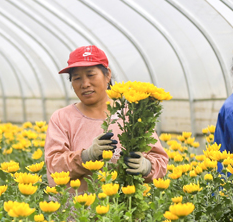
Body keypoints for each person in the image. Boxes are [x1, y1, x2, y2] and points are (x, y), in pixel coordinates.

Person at [44, 45, 168, 188]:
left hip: (125, 206)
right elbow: (54, 166)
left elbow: (160, 162)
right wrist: (86, 156)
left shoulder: (132, 115)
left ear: (107, 74)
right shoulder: (62, 118)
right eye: (77, 78)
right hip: (78, 208)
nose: (85, 84)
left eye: (91, 75)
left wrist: (146, 167)